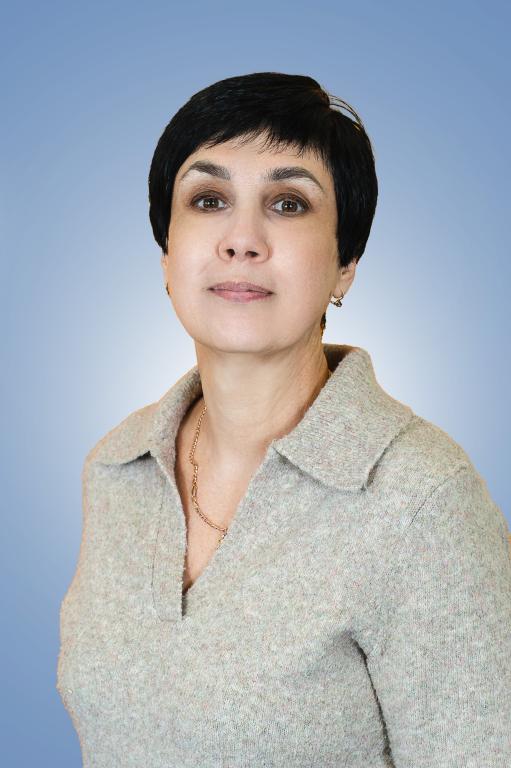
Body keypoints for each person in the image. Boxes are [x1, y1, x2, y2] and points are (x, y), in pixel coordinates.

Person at [56, 72, 511, 767]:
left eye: (288, 204)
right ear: (167, 255)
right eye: (208, 200)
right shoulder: (117, 466)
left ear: (345, 266)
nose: (241, 239)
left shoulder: (421, 500)